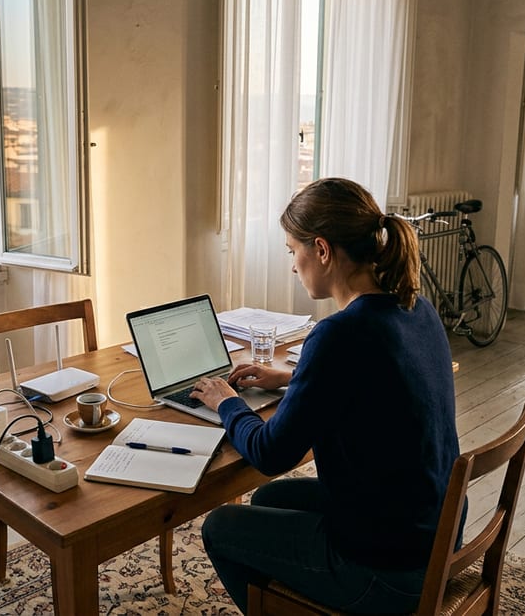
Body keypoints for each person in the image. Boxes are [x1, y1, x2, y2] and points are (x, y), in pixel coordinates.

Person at [190, 177, 462, 614]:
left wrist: (227, 402)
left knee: (221, 526)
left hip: (390, 571)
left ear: (321, 249)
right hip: (433, 533)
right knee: (269, 501)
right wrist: (292, 377)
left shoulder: (339, 334)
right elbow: (371, 376)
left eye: (291, 251)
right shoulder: (415, 307)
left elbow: (271, 453)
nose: (292, 266)